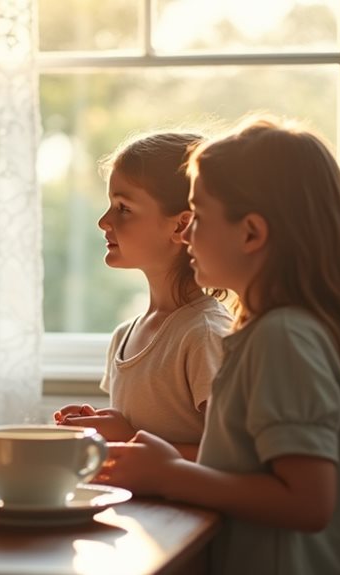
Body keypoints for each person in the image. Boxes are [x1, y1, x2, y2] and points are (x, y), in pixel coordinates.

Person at [95, 116, 340, 574]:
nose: (187, 234)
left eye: (200, 218)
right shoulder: (269, 335)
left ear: (251, 233)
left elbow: (308, 503)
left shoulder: (284, 339)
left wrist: (169, 473)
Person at [53, 133, 232, 460]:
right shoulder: (125, 335)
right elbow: (144, 428)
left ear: (181, 227)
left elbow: (229, 457)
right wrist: (102, 426)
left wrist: (129, 439)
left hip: (188, 513)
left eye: (123, 208)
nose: (104, 221)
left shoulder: (204, 334)